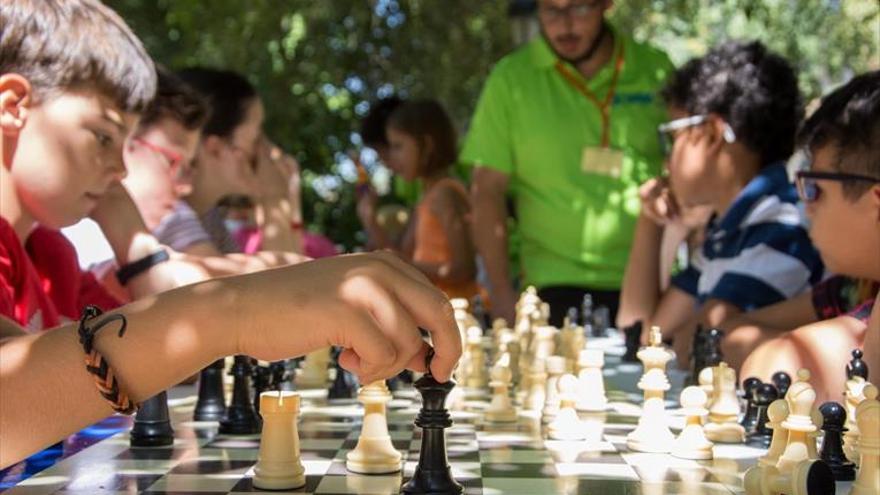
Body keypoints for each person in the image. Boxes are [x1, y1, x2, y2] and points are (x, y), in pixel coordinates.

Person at [0, 0, 461, 468]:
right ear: (13, 106)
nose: (119, 168)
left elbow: (128, 353)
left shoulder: (51, 254)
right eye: (102, 136)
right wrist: (232, 313)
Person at [462, 0, 675, 325]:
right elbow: (486, 191)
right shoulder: (511, 79)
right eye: (551, 10)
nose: (565, 25)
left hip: (650, 282)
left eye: (578, 8)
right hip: (551, 288)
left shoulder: (655, 69)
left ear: (606, 5)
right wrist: (502, 293)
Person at [616, 41, 825, 365]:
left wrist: (680, 339)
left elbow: (698, 348)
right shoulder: (729, 227)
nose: (666, 158)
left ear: (712, 134)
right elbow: (643, 332)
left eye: (672, 137)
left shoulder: (782, 223)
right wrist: (650, 222)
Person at [740, 71, 880, 403]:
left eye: (814, 187)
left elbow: (774, 368)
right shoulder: (854, 287)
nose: (806, 204)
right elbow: (728, 333)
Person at [358, 99, 479, 300]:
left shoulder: (445, 194)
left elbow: (465, 268)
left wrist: (402, 263)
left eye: (398, 147)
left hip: (457, 311)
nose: (391, 158)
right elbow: (400, 255)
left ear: (427, 145)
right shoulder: (426, 197)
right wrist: (370, 219)